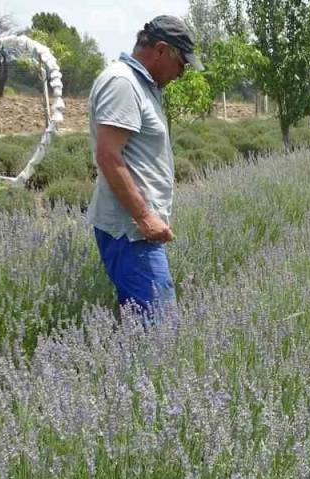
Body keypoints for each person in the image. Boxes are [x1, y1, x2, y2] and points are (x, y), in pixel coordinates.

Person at [87, 15, 203, 318]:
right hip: (131, 232)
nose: (182, 73)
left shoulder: (141, 85)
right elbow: (109, 156)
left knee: (143, 325)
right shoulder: (123, 83)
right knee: (161, 329)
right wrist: (145, 217)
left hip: (136, 230)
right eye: (182, 64)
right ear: (162, 50)